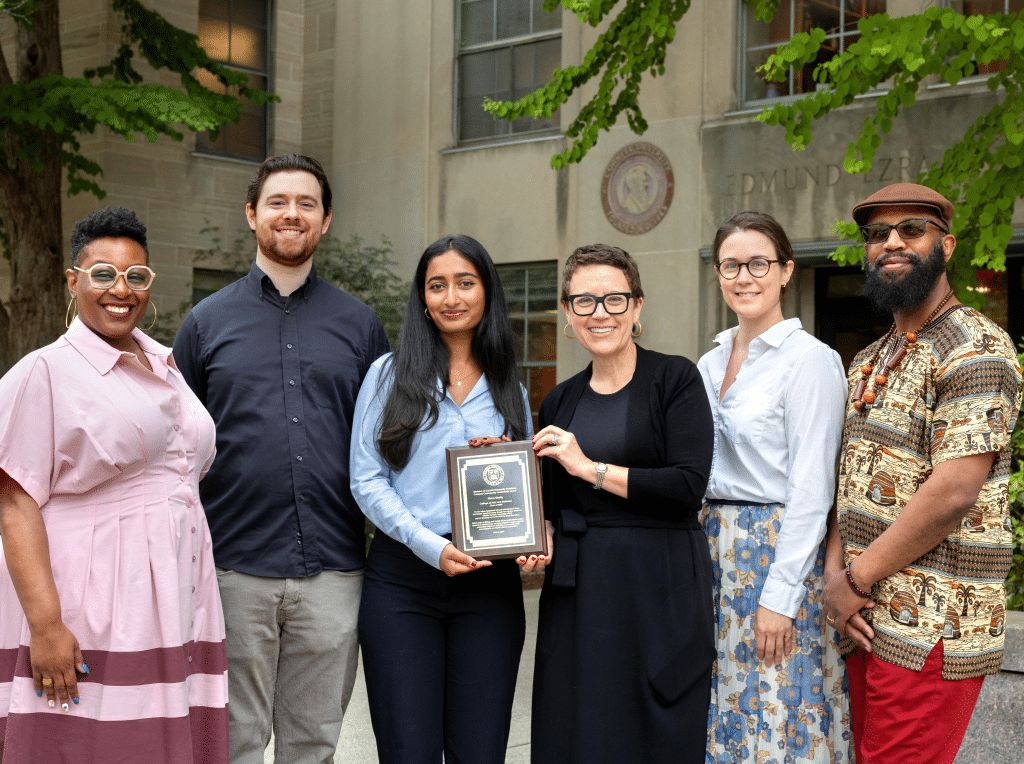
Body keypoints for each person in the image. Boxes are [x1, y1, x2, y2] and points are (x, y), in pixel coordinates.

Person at [172, 155, 389, 764]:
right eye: (277, 202)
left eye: (306, 204)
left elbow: (387, 440)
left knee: (315, 743)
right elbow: (177, 449)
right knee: (233, 743)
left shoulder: (362, 326)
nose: (291, 214)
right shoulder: (205, 324)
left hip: (335, 572)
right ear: (251, 215)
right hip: (232, 570)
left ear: (325, 222)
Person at [0, 207, 227, 762]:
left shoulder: (165, 364)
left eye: (136, 276)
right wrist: (48, 627)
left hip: (173, 594)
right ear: (73, 283)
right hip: (93, 600)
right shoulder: (45, 371)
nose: (119, 289)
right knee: (92, 743)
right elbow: (14, 502)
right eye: (103, 274)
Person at [823, 183, 1022, 764]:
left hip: (936, 625)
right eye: (877, 234)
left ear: (947, 245)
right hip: (865, 620)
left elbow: (954, 493)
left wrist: (852, 583)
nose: (891, 243)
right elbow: (850, 478)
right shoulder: (870, 357)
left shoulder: (977, 348)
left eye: (911, 230)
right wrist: (838, 577)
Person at [350, 234, 544, 764]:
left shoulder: (511, 387)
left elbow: (522, 485)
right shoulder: (387, 376)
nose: (451, 297)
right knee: (408, 750)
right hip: (403, 583)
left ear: (487, 293)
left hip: (490, 586)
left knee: (480, 752)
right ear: (423, 297)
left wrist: (529, 533)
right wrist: (428, 547)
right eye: (437, 285)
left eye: (465, 283)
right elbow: (366, 481)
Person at [530, 244, 715, 763]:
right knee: (577, 728)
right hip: (580, 590)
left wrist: (589, 468)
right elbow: (549, 500)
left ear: (637, 307)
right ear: (568, 313)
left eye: (614, 299)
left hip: (658, 585)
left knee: (656, 730)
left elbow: (686, 486)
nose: (600, 314)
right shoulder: (559, 400)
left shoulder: (674, 379)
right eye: (584, 302)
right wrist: (536, 534)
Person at [698, 212, 852, 764]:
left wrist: (780, 597)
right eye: (731, 265)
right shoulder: (708, 363)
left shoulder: (811, 361)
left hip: (776, 554)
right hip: (710, 553)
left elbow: (814, 489)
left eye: (758, 263)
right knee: (723, 706)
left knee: (780, 706)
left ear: (786, 271)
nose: (744, 277)